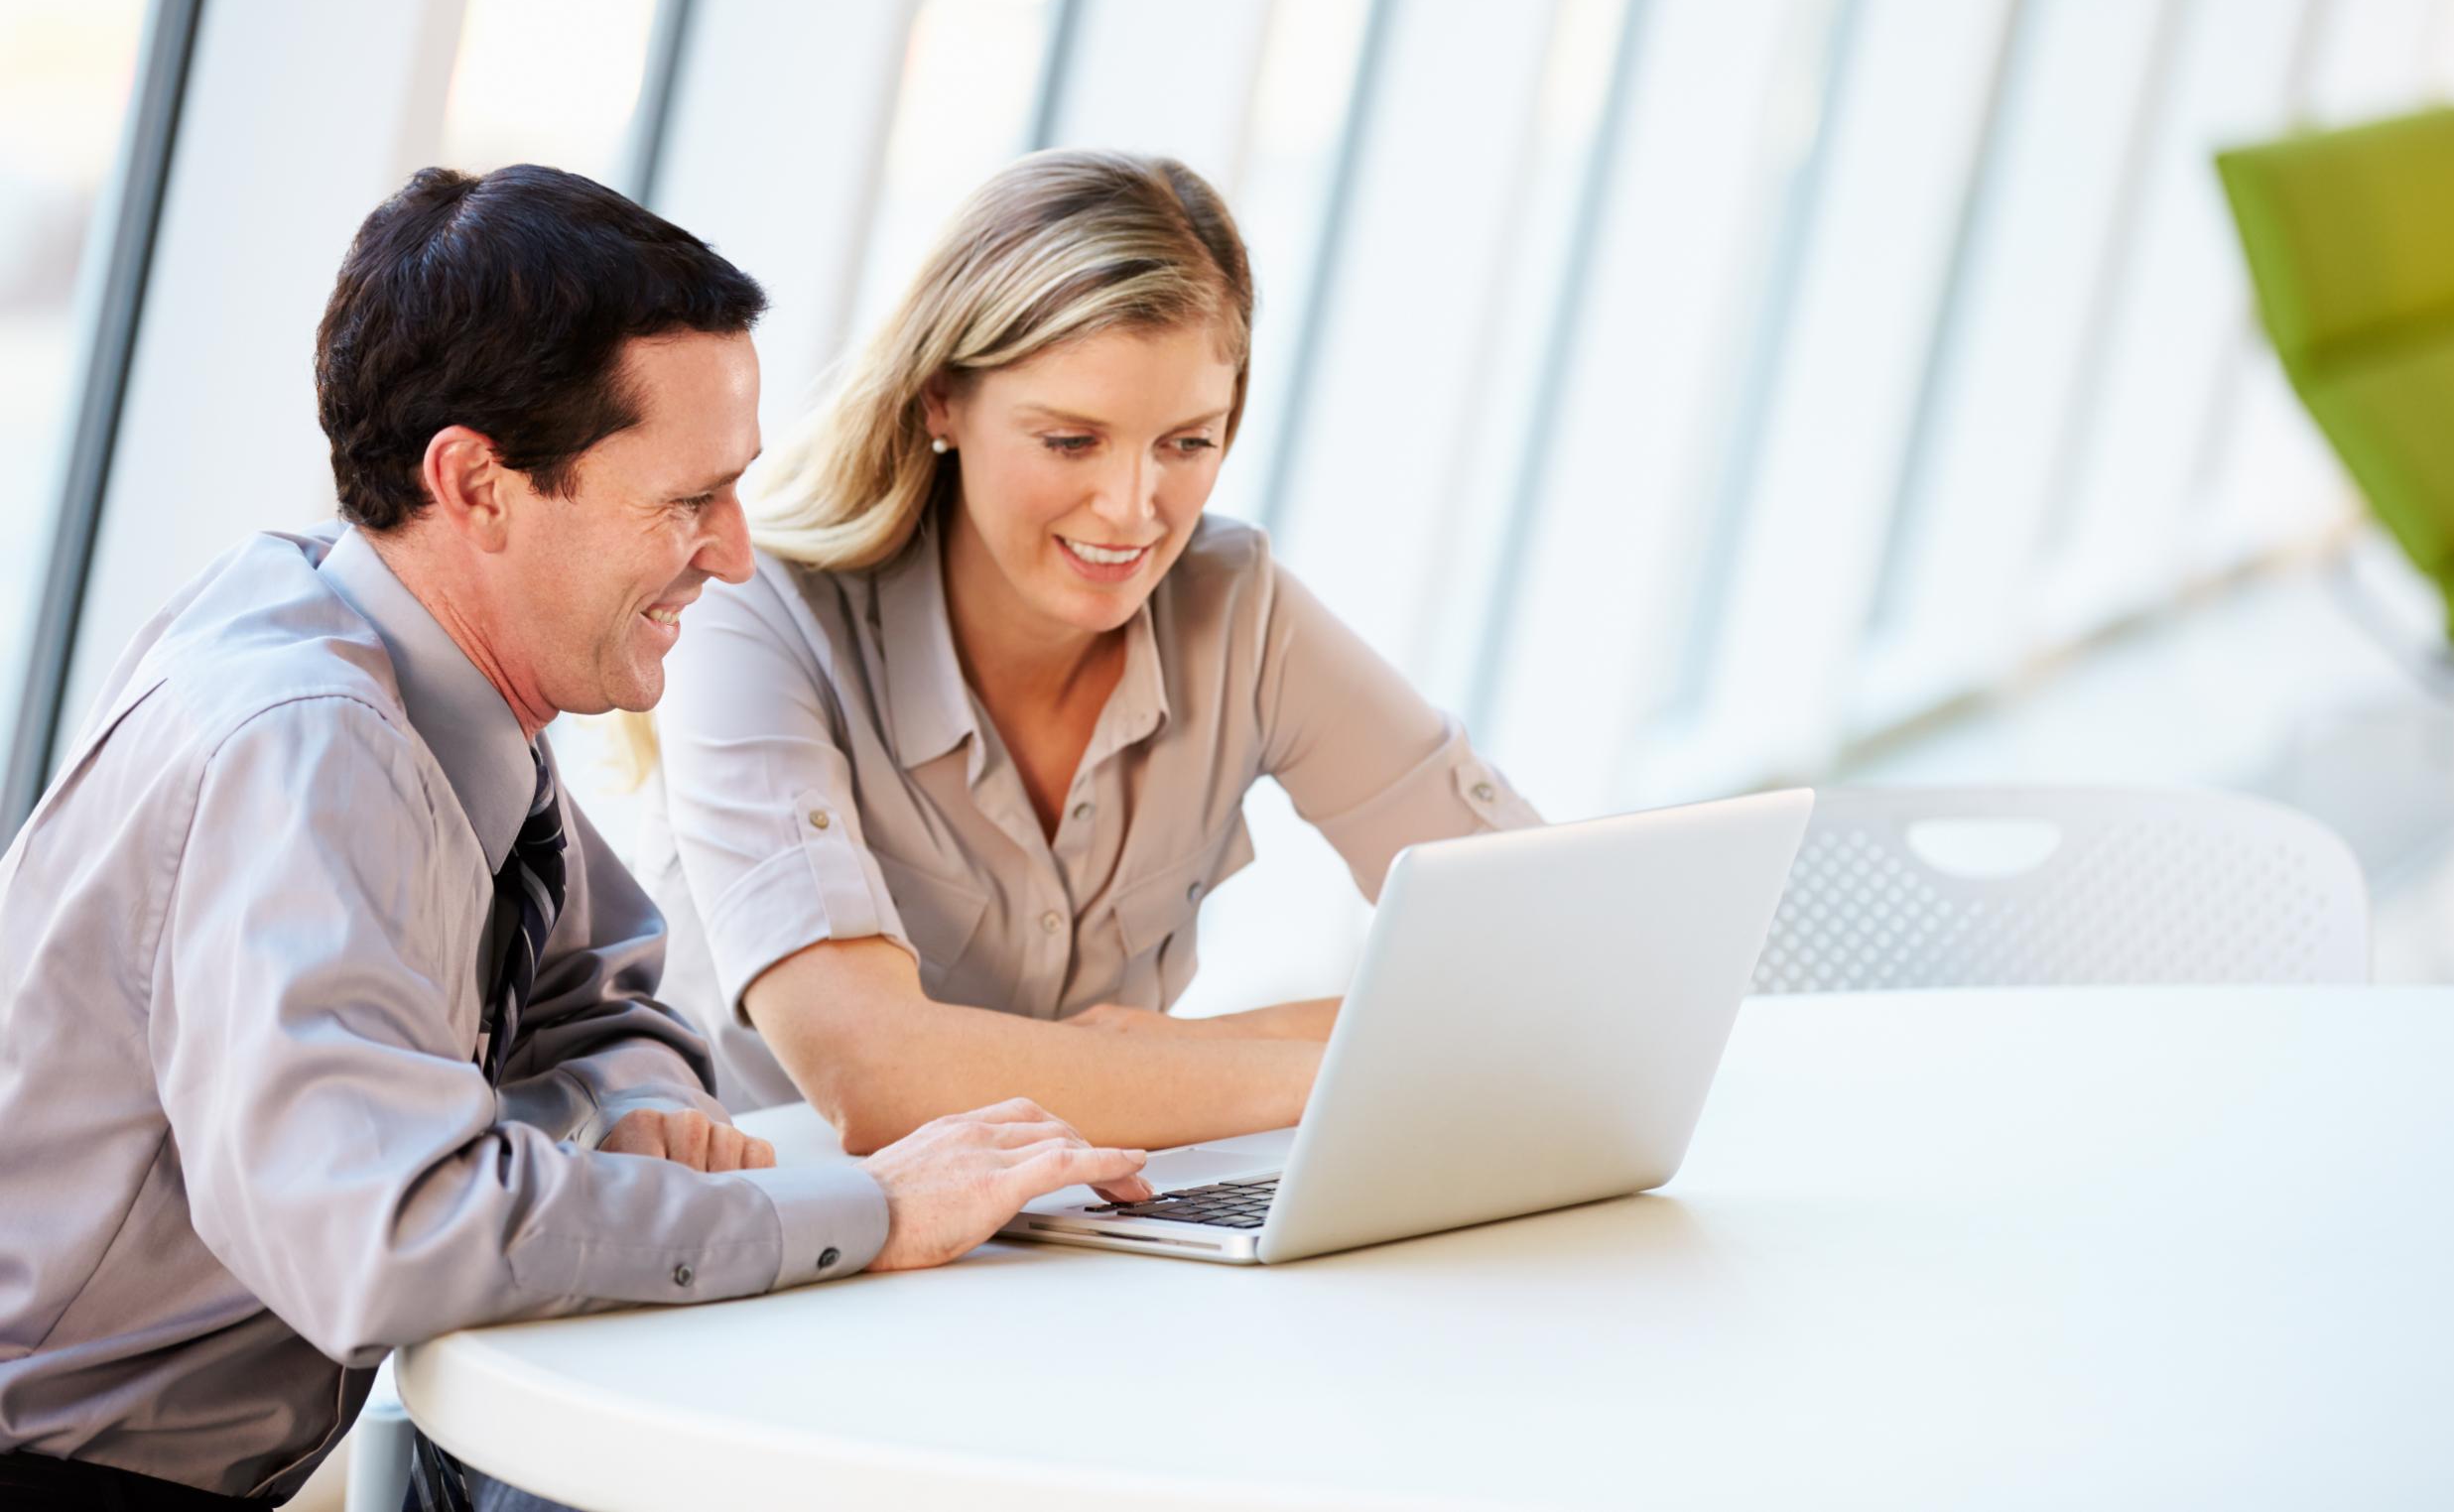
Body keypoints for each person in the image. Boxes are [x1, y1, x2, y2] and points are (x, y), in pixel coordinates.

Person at [0, 166, 1148, 1511]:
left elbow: (603, 992)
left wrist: (636, 1106)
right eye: (684, 500)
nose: (731, 554)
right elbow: (395, 1232)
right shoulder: (311, 747)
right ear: (477, 484)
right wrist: (869, 1213)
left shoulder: (422, 673)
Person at [642, 150, 1541, 1155]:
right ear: (941, 398)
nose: (1131, 509)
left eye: (1187, 444)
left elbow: (1539, 945)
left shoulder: (1236, 609)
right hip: (778, 1250)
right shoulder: (756, 614)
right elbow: (874, 1074)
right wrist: (1333, 1066)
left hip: (1087, 1240)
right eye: (1071, 442)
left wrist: (1185, 1056)